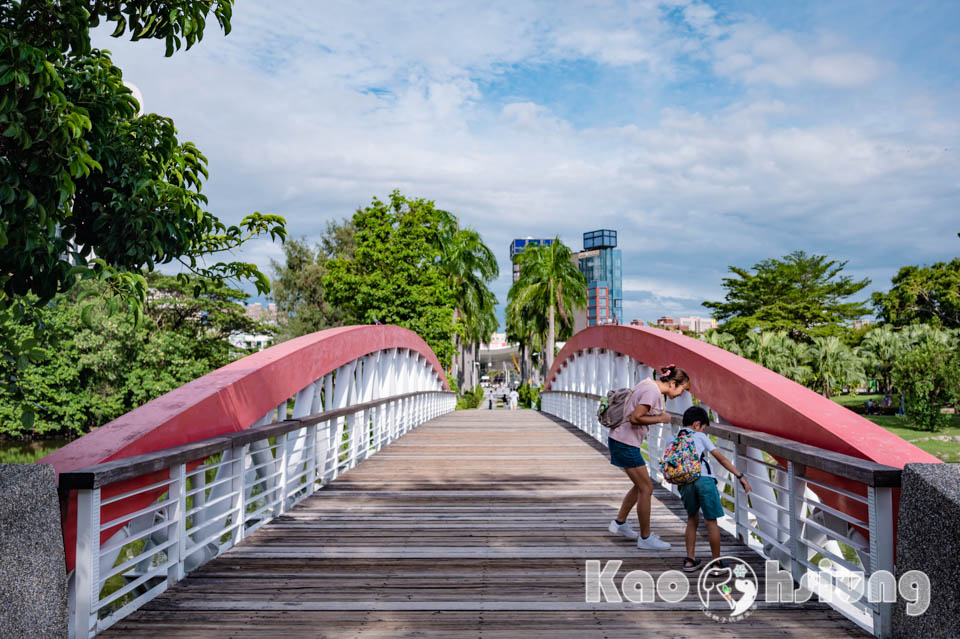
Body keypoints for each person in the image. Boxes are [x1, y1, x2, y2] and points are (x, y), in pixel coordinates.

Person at [607, 365, 690, 551]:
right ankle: (645, 538)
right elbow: (636, 418)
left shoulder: (647, 383)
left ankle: (619, 523)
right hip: (625, 443)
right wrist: (662, 418)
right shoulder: (653, 392)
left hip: (620, 440)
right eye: (682, 390)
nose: (681, 394)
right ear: (672, 384)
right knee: (646, 488)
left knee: (640, 486)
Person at [678, 405, 752, 572]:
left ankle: (690, 560)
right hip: (703, 480)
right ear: (697, 425)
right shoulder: (700, 436)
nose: (703, 431)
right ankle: (717, 563)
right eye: (704, 428)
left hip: (685, 481)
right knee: (711, 521)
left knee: (692, 519)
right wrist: (740, 477)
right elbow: (722, 460)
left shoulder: (674, 438)